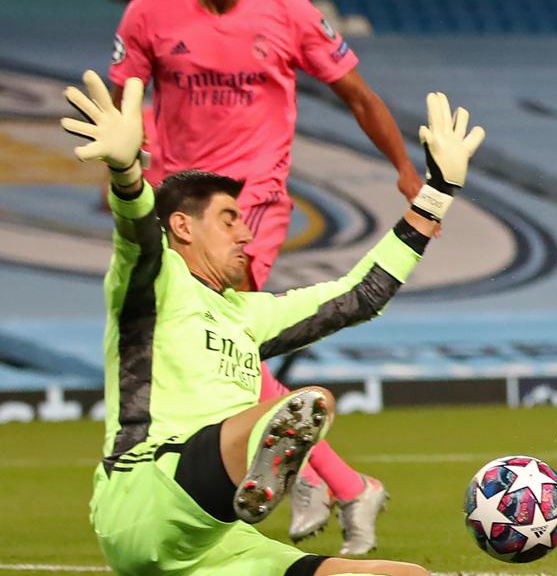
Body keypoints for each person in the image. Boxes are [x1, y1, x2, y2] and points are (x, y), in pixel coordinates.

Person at [107, 0, 424, 552]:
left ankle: (322, 476)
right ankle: (337, 479)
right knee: (216, 347)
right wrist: (132, 166)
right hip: (177, 211)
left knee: (230, 337)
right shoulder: (150, 12)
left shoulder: (286, 9)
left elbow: (357, 94)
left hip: (251, 204)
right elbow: (121, 102)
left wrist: (403, 166)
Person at [62, 69, 483, 575]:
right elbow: (137, 232)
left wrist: (436, 193)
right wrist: (127, 174)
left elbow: (359, 295)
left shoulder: (249, 314)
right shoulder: (154, 282)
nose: (246, 235)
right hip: (144, 496)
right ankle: (267, 465)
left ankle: (261, 475)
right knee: (307, 405)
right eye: (229, 219)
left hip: (219, 541)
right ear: (182, 226)